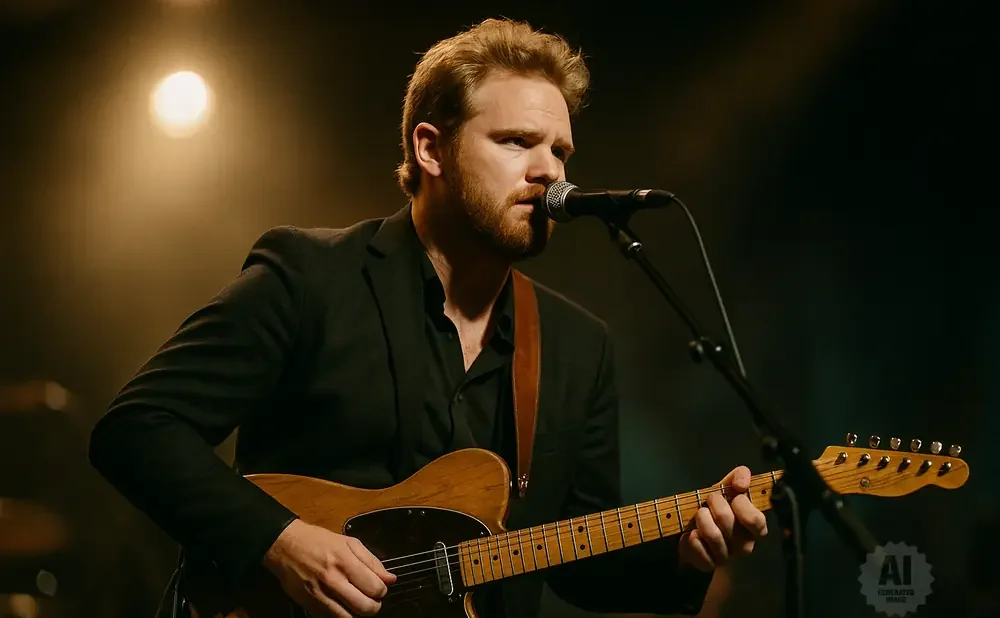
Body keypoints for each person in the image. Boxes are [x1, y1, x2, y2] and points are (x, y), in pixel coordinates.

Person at [88, 17, 768, 618]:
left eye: (560, 151)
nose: (550, 172)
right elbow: (138, 431)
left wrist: (687, 556)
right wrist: (282, 542)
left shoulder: (575, 348)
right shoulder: (310, 278)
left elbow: (574, 558)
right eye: (516, 142)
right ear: (430, 149)